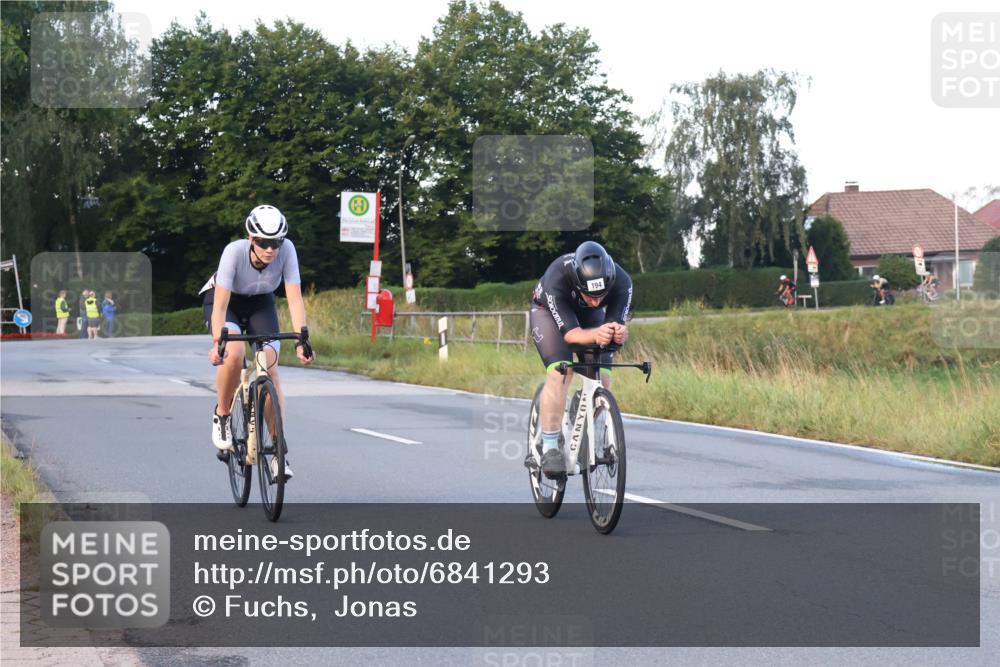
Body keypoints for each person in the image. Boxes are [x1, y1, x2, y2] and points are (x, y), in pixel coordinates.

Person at [202, 204, 314, 480]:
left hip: (261, 303)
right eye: (264, 242)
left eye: (276, 242)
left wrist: (302, 338)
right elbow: (219, 308)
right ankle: (223, 415)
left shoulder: (287, 251)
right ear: (251, 239)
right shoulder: (233, 252)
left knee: (270, 367)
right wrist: (219, 342)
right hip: (226, 301)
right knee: (235, 352)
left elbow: (295, 298)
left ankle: (277, 453)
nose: (271, 249)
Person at [527, 241, 633, 476]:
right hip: (549, 313)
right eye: (589, 294)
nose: (596, 300)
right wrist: (597, 334)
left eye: (601, 296)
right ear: (577, 283)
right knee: (561, 371)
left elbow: (614, 327)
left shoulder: (623, 282)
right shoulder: (558, 275)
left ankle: (585, 413)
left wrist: (619, 332)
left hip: (589, 317)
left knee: (602, 377)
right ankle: (551, 447)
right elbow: (571, 335)